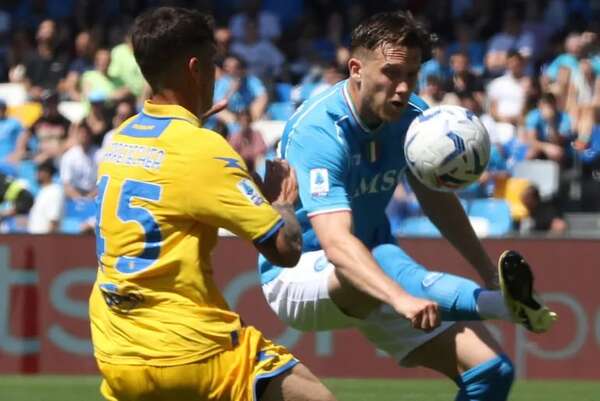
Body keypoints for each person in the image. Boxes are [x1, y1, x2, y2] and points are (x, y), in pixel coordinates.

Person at [258, 11, 557, 401]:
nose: (403, 88)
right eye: (391, 73)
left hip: (374, 270)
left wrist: (487, 271)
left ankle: (497, 299)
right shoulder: (319, 132)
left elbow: (438, 202)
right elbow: (336, 244)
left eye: (411, 75)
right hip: (298, 273)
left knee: (491, 372)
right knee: (371, 258)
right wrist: (400, 298)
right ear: (356, 70)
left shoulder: (412, 120)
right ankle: (498, 307)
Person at [90, 7, 338, 401]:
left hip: (115, 349)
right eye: (212, 64)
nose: (215, 74)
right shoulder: (203, 149)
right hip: (190, 352)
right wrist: (282, 202)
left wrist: (193, 125)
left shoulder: (123, 137)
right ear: (195, 68)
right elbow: (285, 249)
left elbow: (171, 164)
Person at [27, 158, 63, 234]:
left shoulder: (55, 191)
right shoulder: (42, 191)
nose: (37, 174)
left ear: (48, 173)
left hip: (45, 240)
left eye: (40, 171)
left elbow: (53, 220)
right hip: (36, 239)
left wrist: (47, 242)